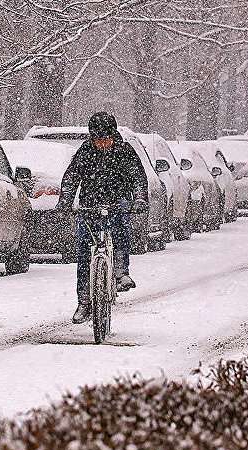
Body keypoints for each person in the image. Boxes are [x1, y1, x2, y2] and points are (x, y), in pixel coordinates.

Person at [56, 112, 148, 324]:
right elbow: (71, 178)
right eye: (97, 139)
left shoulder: (125, 152)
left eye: (105, 139)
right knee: (83, 251)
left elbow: (138, 179)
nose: (102, 143)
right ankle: (85, 301)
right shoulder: (85, 152)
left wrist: (140, 199)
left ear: (113, 135)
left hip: (118, 202)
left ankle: (121, 271)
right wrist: (65, 203)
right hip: (90, 205)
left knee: (121, 229)